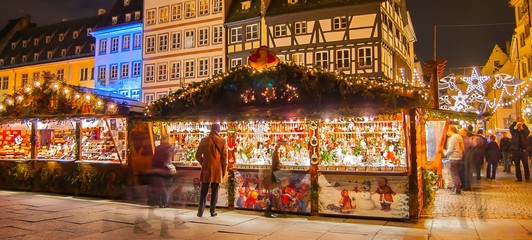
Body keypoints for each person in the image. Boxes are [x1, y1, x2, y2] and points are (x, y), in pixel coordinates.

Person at [195, 123, 228, 217]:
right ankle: (212, 211)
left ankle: (200, 211)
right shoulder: (222, 141)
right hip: (217, 170)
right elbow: (224, 159)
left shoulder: (204, 140)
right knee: (215, 191)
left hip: (206, 169)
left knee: (203, 191)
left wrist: (204, 163)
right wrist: (224, 171)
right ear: (219, 130)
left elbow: (197, 156)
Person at [148, 135, 175, 208]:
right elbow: (171, 158)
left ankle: (159, 202)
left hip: (158, 169)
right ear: (167, 139)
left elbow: (154, 159)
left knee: (159, 187)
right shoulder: (170, 147)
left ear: (161, 140)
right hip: (166, 169)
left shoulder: (158, 148)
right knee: (167, 187)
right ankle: (165, 203)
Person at [443, 125, 464, 194]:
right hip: (459, 157)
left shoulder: (453, 138)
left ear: (450, 130)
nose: (447, 133)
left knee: (454, 175)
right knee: (456, 174)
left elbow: (450, 150)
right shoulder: (459, 137)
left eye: (447, 130)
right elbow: (463, 148)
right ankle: (456, 188)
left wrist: (444, 152)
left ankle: (457, 190)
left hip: (453, 158)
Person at [509, 118, 531, 182]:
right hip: (516, 150)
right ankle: (519, 178)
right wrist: (515, 122)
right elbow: (511, 129)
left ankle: (527, 178)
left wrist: (523, 124)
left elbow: (527, 131)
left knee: (525, 164)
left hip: (523, 150)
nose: (519, 126)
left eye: (520, 125)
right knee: (517, 165)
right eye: (518, 125)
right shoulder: (514, 132)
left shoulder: (524, 132)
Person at [459, 127, 474, 191]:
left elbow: (466, 148)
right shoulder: (467, 139)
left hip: (466, 157)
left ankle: (467, 186)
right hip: (466, 157)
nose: (459, 132)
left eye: (461, 131)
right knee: (463, 171)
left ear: (465, 132)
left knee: (466, 172)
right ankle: (464, 185)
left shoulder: (465, 139)